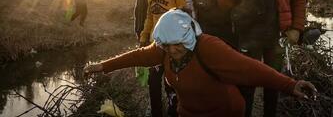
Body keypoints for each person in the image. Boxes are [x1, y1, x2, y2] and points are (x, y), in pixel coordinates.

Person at [84, 9, 317, 117]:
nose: (173, 50)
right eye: (167, 45)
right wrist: (102, 66)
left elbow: (250, 68)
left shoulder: (208, 47)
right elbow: (137, 56)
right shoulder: (164, 48)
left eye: (178, 44)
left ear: (188, 37)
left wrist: (290, 85)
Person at [139, 0, 186, 117]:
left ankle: (174, 108)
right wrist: (144, 35)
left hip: (173, 44)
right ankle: (156, 111)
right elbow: (149, 17)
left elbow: (184, 15)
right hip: (156, 43)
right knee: (153, 80)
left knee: (171, 78)